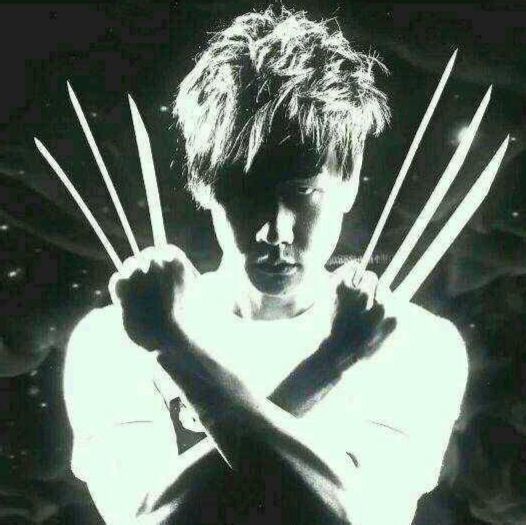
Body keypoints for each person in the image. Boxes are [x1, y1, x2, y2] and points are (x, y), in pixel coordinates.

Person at [63, 8, 468, 525]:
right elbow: (146, 520)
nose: (273, 231)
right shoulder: (112, 340)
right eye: (245, 192)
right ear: (204, 187)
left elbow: (361, 517)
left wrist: (173, 348)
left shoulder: (417, 345)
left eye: (302, 192)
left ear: (348, 182)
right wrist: (331, 364)